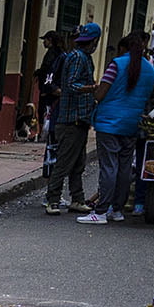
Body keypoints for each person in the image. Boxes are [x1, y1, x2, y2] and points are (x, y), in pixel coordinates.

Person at [81, 32, 154, 226]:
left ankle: (101, 211)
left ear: (124, 48)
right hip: (132, 123)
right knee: (124, 168)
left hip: (109, 122)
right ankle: (117, 209)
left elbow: (101, 94)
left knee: (109, 167)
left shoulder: (116, 65)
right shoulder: (149, 69)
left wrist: (94, 92)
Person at [43, 23, 100, 216]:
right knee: (64, 162)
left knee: (78, 164)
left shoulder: (83, 57)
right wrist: (91, 88)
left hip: (80, 118)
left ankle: (77, 199)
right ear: (94, 41)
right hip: (71, 119)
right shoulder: (77, 57)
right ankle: (52, 199)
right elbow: (72, 84)